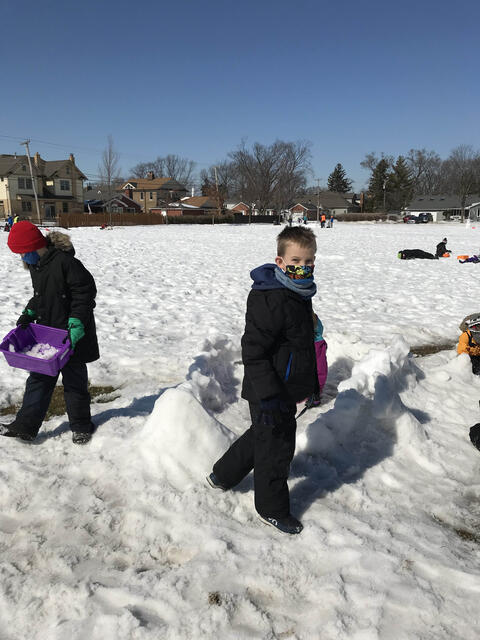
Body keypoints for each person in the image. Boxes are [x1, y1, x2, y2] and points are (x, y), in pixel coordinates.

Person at [207, 226, 321, 535]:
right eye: (297, 259)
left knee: (263, 433)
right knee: (276, 450)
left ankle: (222, 474)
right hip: (269, 390)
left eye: (310, 261)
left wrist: (309, 386)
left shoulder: (298, 292)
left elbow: (300, 347)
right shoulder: (271, 298)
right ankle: (271, 508)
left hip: (285, 386)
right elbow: (254, 352)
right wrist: (270, 395)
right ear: (280, 262)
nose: (304, 266)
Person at [2, 221, 99, 444]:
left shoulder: (67, 263)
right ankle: (25, 426)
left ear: (35, 246)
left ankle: (82, 426)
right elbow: (42, 295)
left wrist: (76, 322)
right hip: (49, 334)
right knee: (38, 379)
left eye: (23, 253)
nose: (22, 258)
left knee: (75, 382)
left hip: (73, 334)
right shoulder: (37, 267)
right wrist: (30, 311)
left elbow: (84, 293)